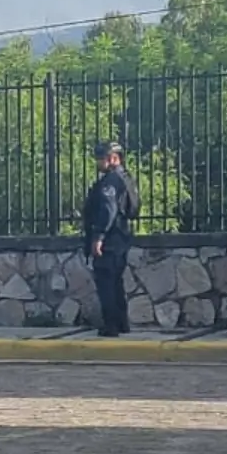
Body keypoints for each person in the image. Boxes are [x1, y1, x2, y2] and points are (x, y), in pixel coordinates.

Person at [83, 140, 138, 337]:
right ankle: (122, 323)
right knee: (116, 282)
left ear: (113, 158)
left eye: (101, 158)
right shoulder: (125, 178)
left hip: (110, 240)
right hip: (121, 238)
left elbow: (108, 210)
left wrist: (98, 237)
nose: (98, 162)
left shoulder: (110, 183)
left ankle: (111, 325)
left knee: (106, 283)